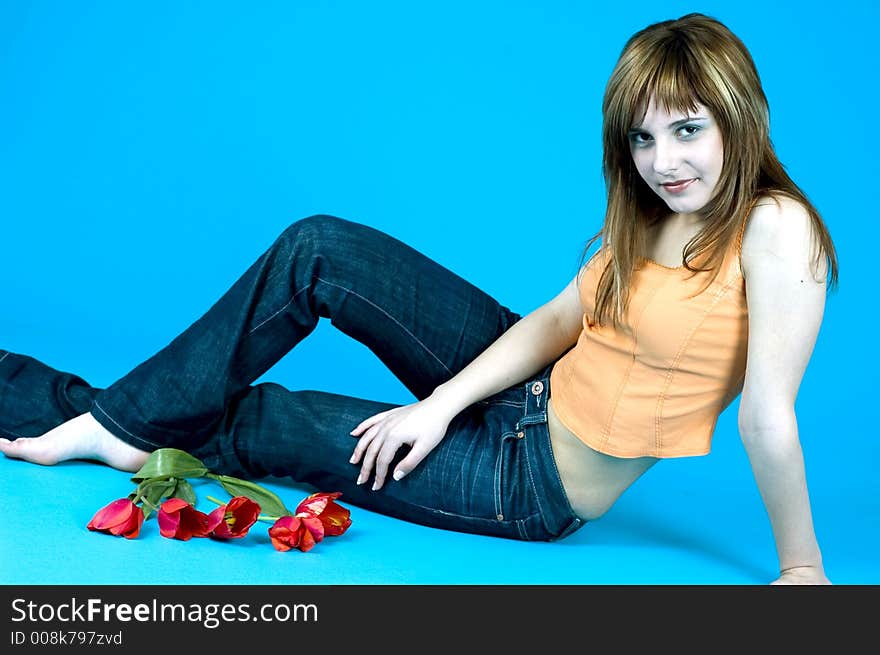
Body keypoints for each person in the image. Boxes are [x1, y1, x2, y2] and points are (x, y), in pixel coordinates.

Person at [0, 12, 837, 585]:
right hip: (519, 388)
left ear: (742, 115)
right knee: (319, 245)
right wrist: (440, 403)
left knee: (253, 419)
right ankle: (115, 425)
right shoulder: (659, 212)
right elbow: (555, 321)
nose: (663, 161)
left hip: (528, 476)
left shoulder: (776, 228)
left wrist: (803, 568)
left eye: (688, 129)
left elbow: (767, 414)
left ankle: (93, 418)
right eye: (644, 137)